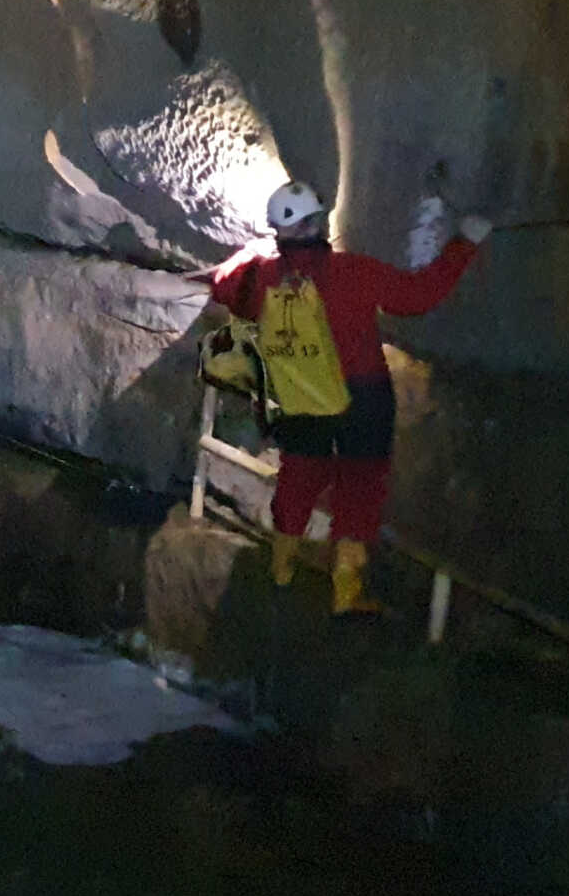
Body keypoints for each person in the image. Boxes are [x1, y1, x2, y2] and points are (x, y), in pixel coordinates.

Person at [204, 180, 488, 616]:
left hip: (300, 392)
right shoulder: (352, 271)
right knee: (360, 488)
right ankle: (345, 591)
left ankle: (281, 570)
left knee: (299, 475)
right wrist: (464, 244)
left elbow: (224, 288)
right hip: (364, 395)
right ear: (318, 224)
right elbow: (417, 297)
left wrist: (250, 253)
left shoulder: (263, 277)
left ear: (278, 232)